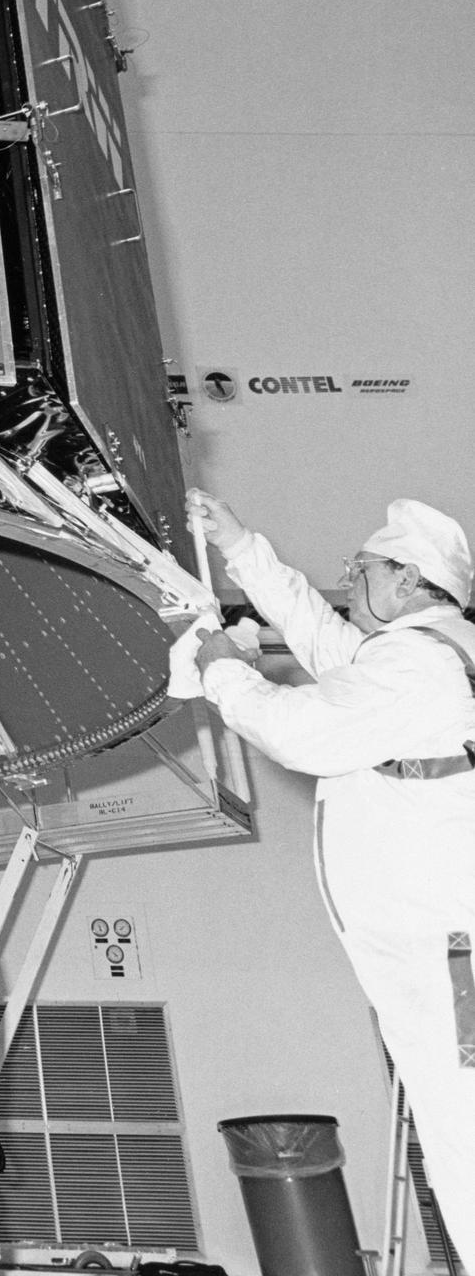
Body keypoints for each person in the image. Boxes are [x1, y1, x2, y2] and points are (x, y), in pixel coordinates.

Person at [186, 488, 475, 1265]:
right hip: (446, 950)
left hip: (449, 962)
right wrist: (242, 547)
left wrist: (224, 672)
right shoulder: (435, 653)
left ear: (408, 579)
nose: (351, 580)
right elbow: (323, 638)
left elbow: (298, 731)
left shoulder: (416, 665)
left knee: (467, 1146)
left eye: (364, 568)